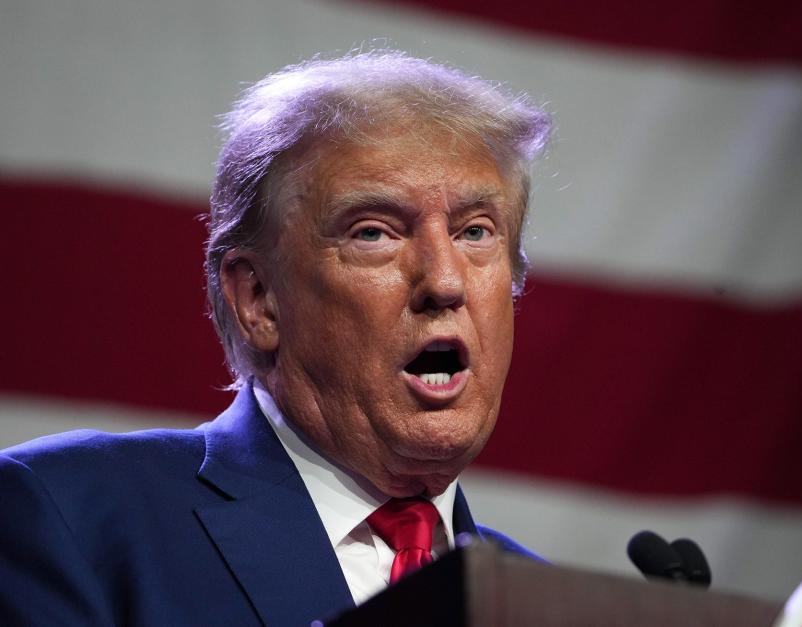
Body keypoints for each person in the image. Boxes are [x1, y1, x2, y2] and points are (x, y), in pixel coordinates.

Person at [0, 50, 551, 625]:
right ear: (258, 299)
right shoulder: (68, 518)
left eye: (476, 232)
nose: (443, 280)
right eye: (373, 233)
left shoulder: (552, 607)